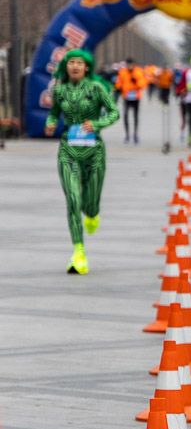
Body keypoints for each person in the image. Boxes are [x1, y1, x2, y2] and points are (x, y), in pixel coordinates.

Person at [43, 49, 119, 275]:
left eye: (79, 63)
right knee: (73, 199)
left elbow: (114, 112)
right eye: (71, 62)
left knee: (90, 204)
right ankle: (78, 252)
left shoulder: (97, 88)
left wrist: (96, 124)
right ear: (66, 67)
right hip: (68, 148)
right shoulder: (60, 90)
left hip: (94, 151)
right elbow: (54, 113)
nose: (75, 66)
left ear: (86, 67)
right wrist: (50, 123)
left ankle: (93, 213)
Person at [113, 58, 147, 144]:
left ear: (134, 64)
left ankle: (135, 135)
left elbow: (143, 84)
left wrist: (136, 81)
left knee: (135, 116)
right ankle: (127, 135)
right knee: (125, 115)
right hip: (127, 97)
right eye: (128, 64)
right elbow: (118, 83)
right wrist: (118, 87)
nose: (130, 66)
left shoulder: (138, 71)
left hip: (136, 97)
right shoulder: (122, 72)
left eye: (131, 64)